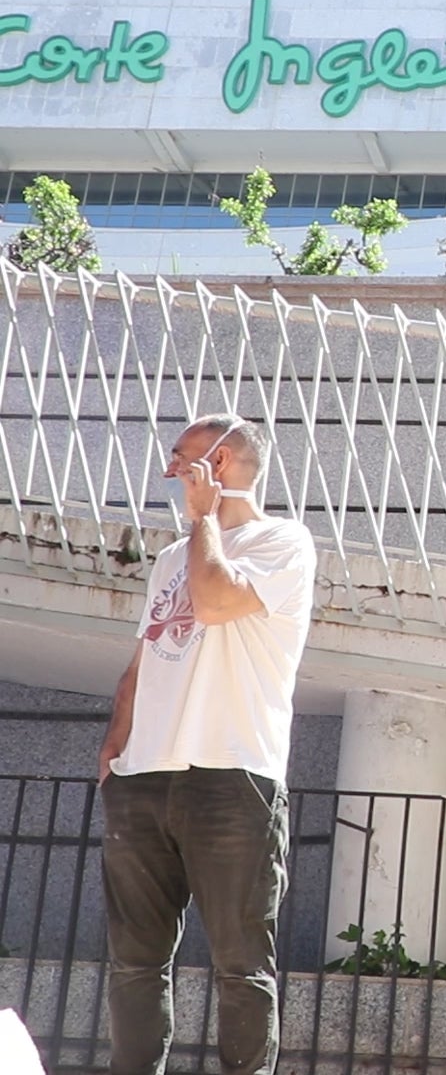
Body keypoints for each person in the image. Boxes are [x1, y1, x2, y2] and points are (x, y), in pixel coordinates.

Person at [97, 414, 317, 1075]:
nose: (169, 472)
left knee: (240, 964)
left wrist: (203, 521)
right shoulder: (170, 555)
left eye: (181, 459)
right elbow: (145, 660)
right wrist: (114, 753)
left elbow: (217, 602)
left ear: (220, 465)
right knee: (133, 961)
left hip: (231, 775)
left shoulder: (284, 543)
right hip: (143, 778)